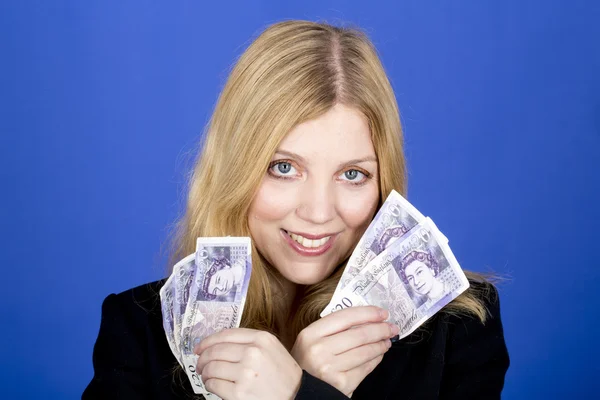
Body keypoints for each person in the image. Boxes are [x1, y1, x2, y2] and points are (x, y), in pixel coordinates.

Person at [83, 20, 509, 399]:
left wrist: (306, 393)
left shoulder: (458, 328)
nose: (320, 212)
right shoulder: (140, 330)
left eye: (353, 174)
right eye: (283, 168)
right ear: (236, 170)